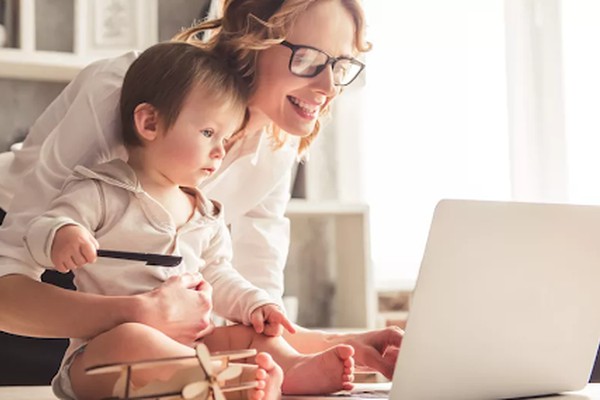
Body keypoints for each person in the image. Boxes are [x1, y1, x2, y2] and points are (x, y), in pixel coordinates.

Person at [0, 0, 402, 387]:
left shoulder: (275, 142)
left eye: (340, 65)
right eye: (310, 59)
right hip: (42, 269)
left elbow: (254, 309)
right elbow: (10, 284)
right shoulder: (132, 89)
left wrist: (338, 345)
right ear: (251, 39)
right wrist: (140, 312)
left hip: (152, 318)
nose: (329, 86)